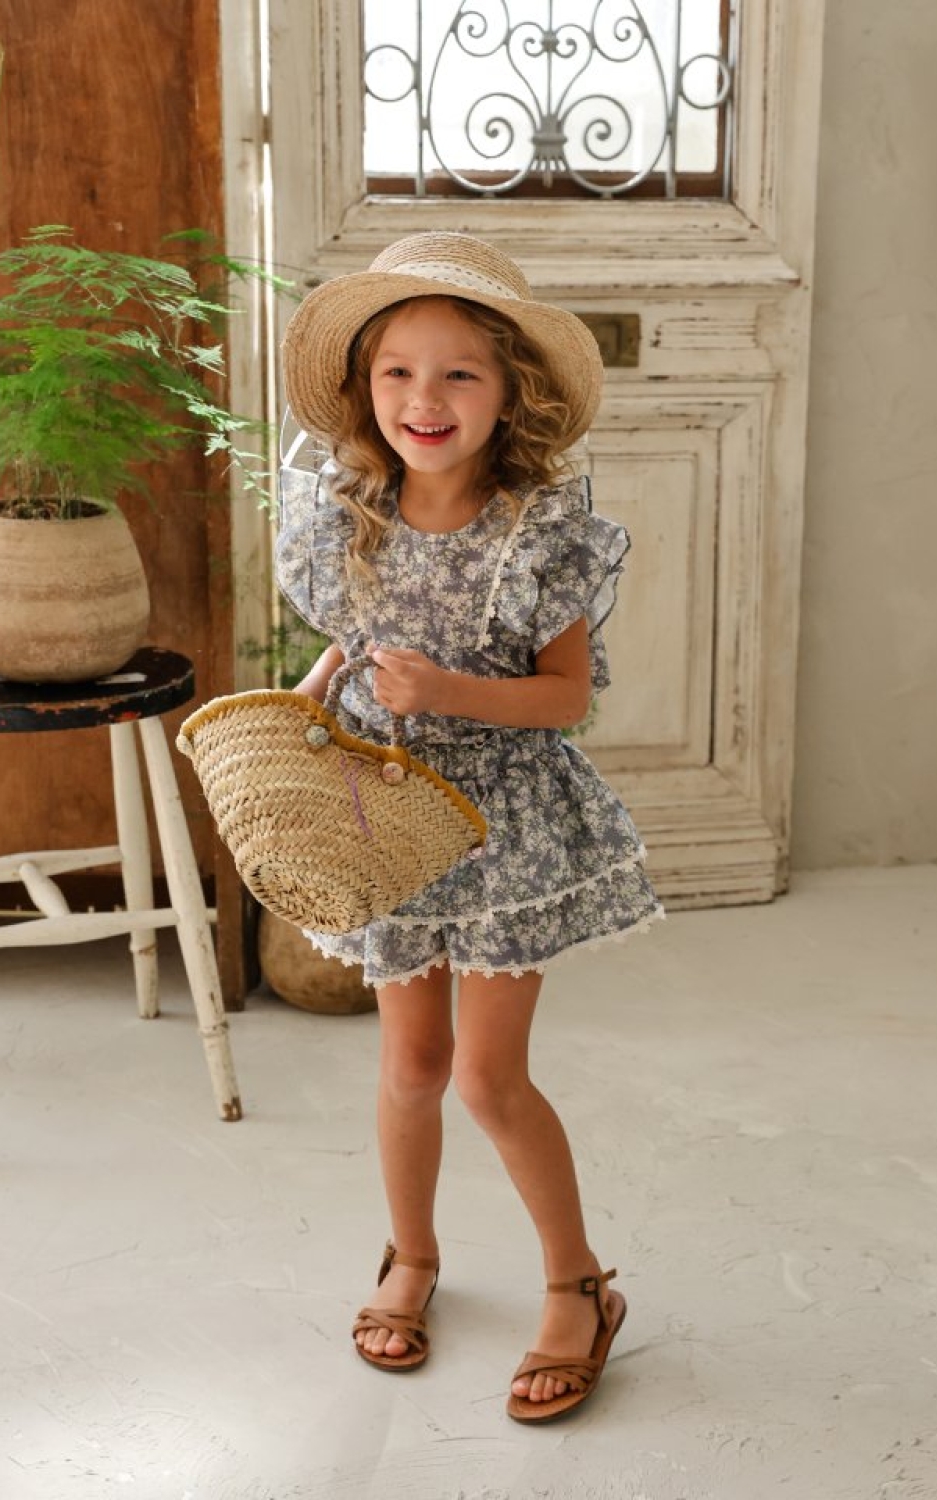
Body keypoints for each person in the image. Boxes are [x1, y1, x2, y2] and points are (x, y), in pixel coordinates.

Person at [275, 231, 663, 1424]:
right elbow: (356, 640)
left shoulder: (536, 535)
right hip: (388, 816)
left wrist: (445, 692)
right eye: (397, 372)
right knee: (409, 1067)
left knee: (489, 1081)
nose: (424, 399)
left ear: (510, 393)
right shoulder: (348, 512)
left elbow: (564, 699)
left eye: (458, 373)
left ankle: (578, 1284)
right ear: (365, 388)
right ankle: (411, 1256)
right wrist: (309, 696)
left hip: (502, 832)